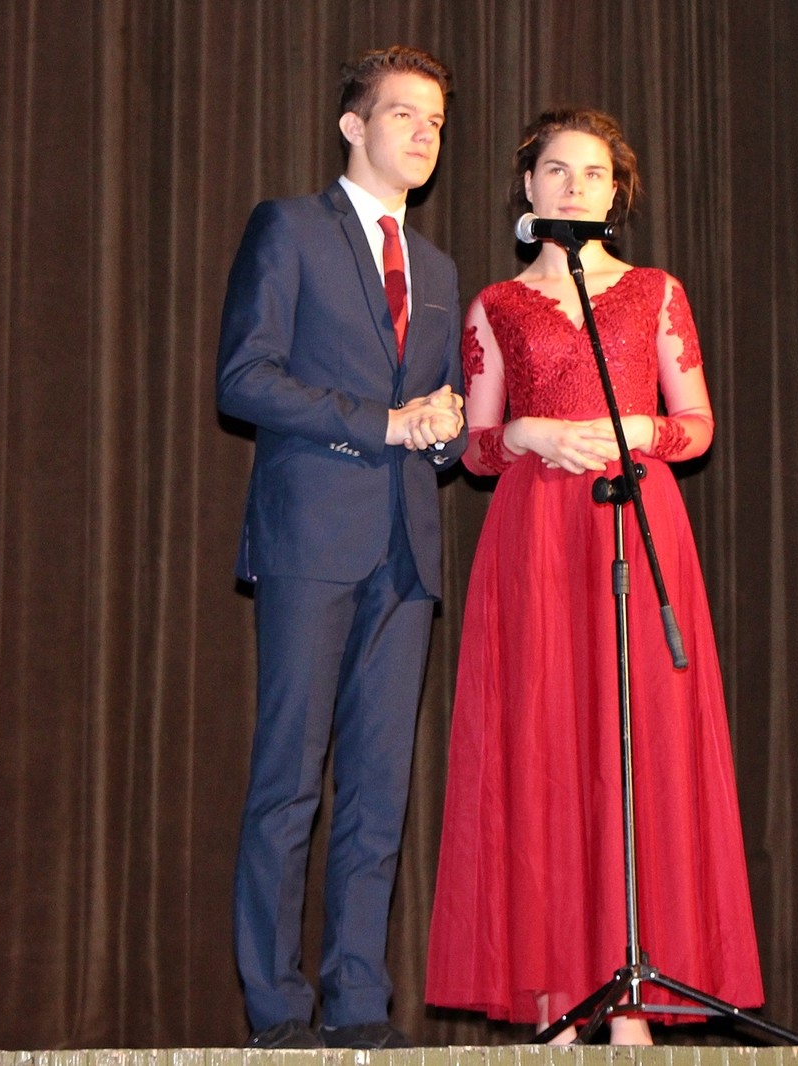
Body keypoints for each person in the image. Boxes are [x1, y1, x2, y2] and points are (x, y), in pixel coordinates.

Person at [424, 107, 763, 1045]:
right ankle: (553, 1000)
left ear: (618, 196)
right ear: (527, 186)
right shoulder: (496, 304)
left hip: (635, 522)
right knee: (543, 747)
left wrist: (636, 430)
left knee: (636, 747)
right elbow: (477, 449)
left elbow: (697, 425)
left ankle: (632, 1006)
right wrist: (526, 432)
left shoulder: (655, 292)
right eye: (556, 171)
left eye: (594, 174)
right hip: (535, 536)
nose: (574, 187)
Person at [215, 44, 465, 1050]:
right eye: (404, 113)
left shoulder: (438, 270)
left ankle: (359, 1003)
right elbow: (244, 377)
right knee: (288, 779)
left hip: (407, 550)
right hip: (312, 537)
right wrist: (383, 422)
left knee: (377, 792)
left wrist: (441, 431)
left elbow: (436, 417)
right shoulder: (290, 228)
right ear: (352, 125)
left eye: (436, 121)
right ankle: (278, 1012)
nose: (423, 133)